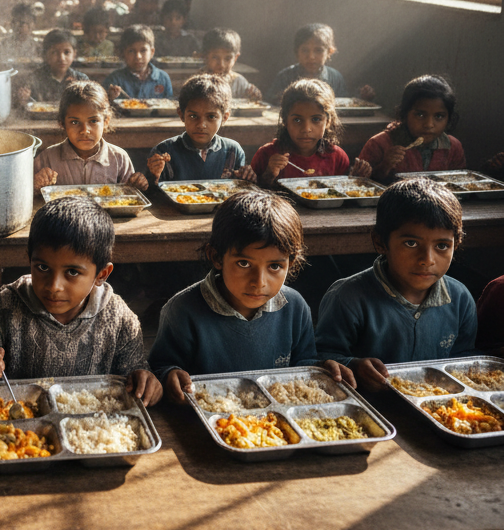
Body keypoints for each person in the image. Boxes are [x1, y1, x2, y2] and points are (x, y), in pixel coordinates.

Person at [0, 198, 162, 404]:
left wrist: (146, 382)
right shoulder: (5, 309)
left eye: (72, 272)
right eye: (42, 268)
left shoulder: (120, 320)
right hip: (21, 430)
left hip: (93, 432)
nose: (53, 286)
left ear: (101, 275)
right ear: (29, 260)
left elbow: (136, 375)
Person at [148, 188, 356, 402]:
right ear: (216, 257)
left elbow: (303, 365)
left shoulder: (294, 307)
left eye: (274, 266)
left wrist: (320, 368)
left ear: (290, 264)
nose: (259, 282)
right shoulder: (182, 310)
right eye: (244, 263)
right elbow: (159, 368)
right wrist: (169, 376)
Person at [314, 178, 476, 391]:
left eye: (442, 246)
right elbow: (320, 359)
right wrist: (351, 365)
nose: (427, 259)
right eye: (411, 243)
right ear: (380, 242)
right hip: (372, 409)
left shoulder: (460, 299)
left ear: (457, 244)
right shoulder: (347, 297)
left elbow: (464, 361)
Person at [252, 78, 372, 187]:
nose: (306, 129)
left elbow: (344, 195)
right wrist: (269, 174)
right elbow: (251, 194)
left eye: (316, 119)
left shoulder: (337, 157)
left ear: (328, 121)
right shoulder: (267, 155)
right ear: (285, 120)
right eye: (297, 120)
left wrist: (355, 179)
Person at [33, 81, 149, 190]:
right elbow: (26, 194)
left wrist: (136, 185)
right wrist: (34, 185)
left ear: (106, 121)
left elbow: (129, 196)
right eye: (75, 122)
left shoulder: (119, 159)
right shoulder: (46, 159)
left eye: (93, 121)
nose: (84, 131)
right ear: (62, 123)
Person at [147, 74, 256, 183]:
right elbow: (152, 193)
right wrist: (154, 177)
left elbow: (238, 192)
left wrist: (246, 177)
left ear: (225, 118)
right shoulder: (163, 151)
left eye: (211, 117)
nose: (201, 125)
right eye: (193, 116)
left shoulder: (233, 151)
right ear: (181, 115)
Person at [358, 75, 465, 183]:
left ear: (448, 118)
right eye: (420, 115)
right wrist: (385, 166)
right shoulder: (379, 144)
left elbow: (460, 183)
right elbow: (359, 184)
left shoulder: (453, 147)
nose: (429, 124)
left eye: (439, 116)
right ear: (404, 114)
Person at [266, 22, 374, 104]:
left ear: (329, 52)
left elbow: (343, 103)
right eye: (305, 50)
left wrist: (362, 97)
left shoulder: (335, 77)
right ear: (296, 52)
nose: (311, 57)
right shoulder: (285, 76)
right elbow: (269, 101)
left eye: (318, 50)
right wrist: (282, 99)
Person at [105, 24, 172, 100]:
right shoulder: (114, 79)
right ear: (123, 53)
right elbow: (104, 107)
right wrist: (110, 98)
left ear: (152, 52)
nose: (138, 56)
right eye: (131, 51)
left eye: (143, 50)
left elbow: (169, 105)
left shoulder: (162, 78)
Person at [200, 27, 262, 100]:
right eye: (215, 57)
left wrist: (254, 95)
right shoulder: (197, 81)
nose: (221, 64)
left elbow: (251, 103)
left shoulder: (239, 82)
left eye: (228, 58)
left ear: (235, 58)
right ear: (205, 57)